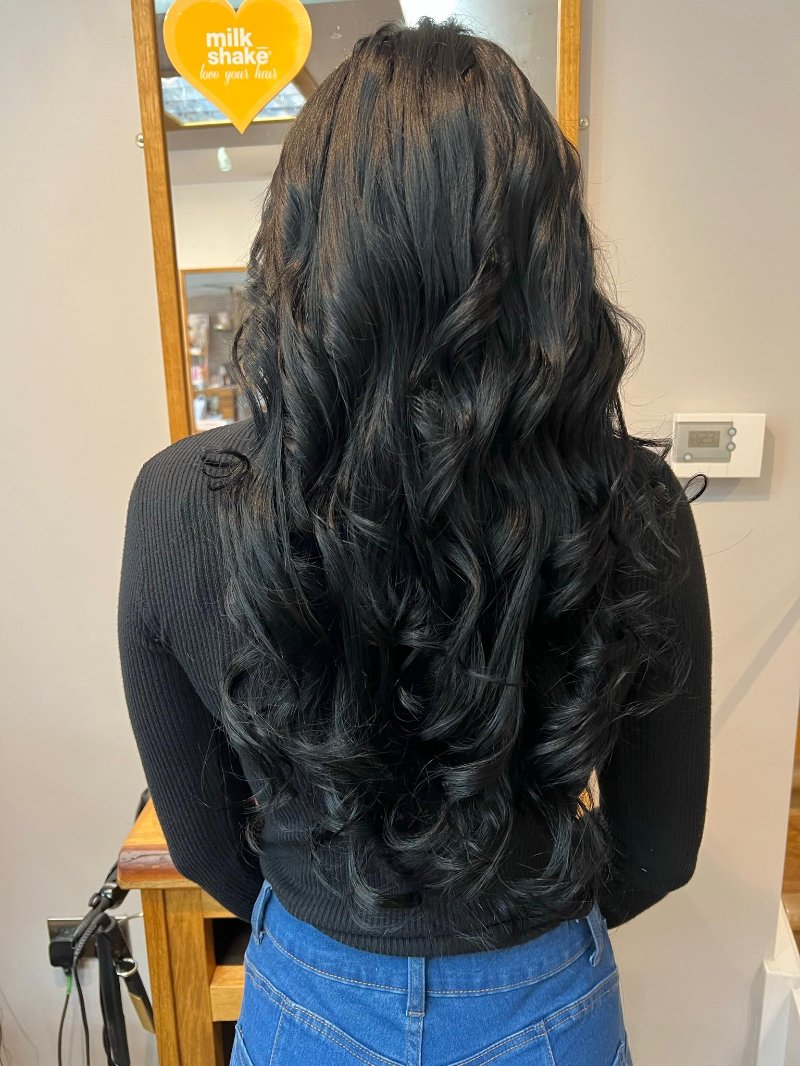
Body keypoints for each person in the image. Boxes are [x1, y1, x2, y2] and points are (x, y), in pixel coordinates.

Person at [118, 18, 711, 1066]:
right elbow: (657, 849)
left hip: (309, 994)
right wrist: (511, 940)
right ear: (547, 254)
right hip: (543, 995)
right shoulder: (633, 501)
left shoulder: (178, 503)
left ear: (298, 241)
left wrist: (341, 927)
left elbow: (206, 845)